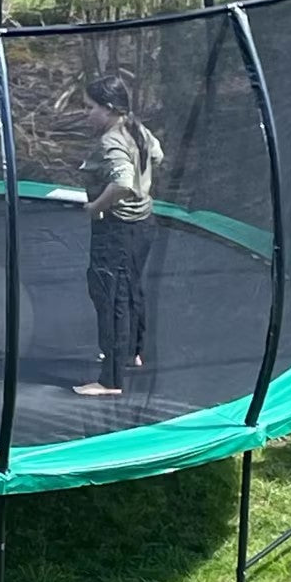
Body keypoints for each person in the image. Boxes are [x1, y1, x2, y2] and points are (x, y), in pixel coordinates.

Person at [74, 74, 164, 397]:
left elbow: (123, 182)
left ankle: (110, 380)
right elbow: (157, 155)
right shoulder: (136, 128)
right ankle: (132, 352)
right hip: (144, 225)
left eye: (90, 107)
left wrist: (96, 205)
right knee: (131, 290)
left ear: (109, 108)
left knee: (110, 297)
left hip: (117, 229)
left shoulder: (111, 140)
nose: (87, 114)